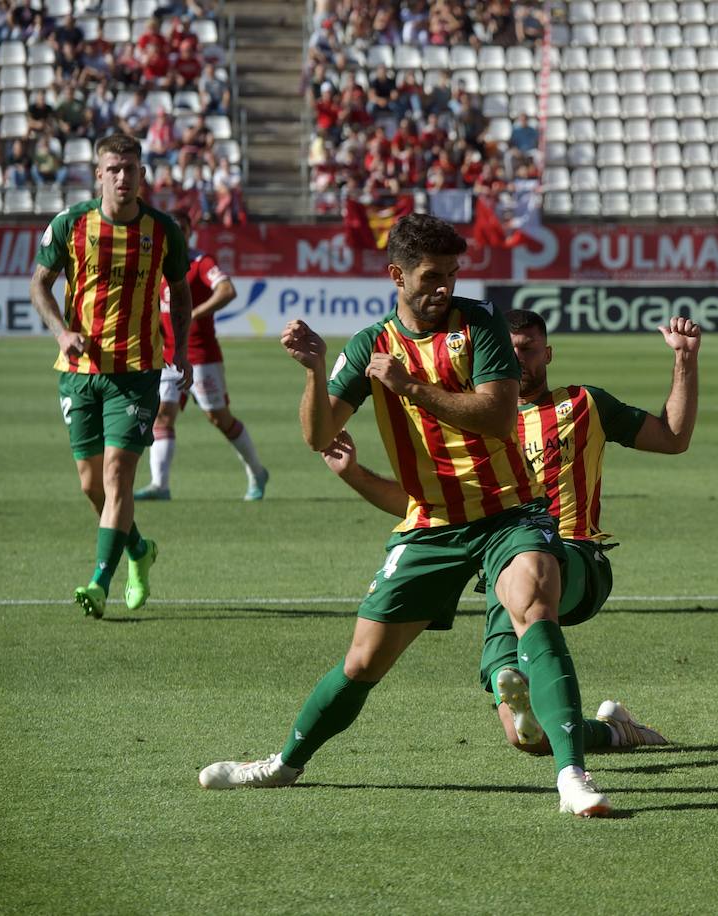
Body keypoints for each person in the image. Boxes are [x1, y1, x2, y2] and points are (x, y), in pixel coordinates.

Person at [197, 215, 615, 817]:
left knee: (533, 601)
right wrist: (315, 370)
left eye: (451, 273)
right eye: (429, 276)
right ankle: (285, 764)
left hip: (509, 511)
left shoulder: (481, 323)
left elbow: (499, 417)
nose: (443, 286)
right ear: (396, 274)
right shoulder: (371, 344)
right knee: (363, 660)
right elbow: (318, 433)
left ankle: (571, 776)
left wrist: (411, 387)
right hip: (432, 523)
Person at [318, 308, 702, 756]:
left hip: (576, 556)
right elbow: (423, 508)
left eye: (529, 349)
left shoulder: (584, 404)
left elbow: (673, 438)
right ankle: (614, 731)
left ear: (548, 353)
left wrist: (685, 360)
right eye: (510, 348)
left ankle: (572, 772)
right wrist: (353, 474)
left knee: (530, 566)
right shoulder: (464, 423)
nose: (519, 358)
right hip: (502, 570)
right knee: (526, 738)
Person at [29, 133, 193, 620]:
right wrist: (60, 333)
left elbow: (180, 293)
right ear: (98, 174)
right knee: (91, 485)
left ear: (142, 174)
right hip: (79, 372)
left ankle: (99, 581)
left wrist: (179, 349)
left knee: (118, 474)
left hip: (138, 370)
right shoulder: (71, 224)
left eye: (131, 169)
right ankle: (139, 549)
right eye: (114, 169)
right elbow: (39, 284)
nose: (123, 177)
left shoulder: (163, 230)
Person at [136, 210, 269, 501]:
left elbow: (227, 290)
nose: (177, 233)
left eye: (182, 228)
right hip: (168, 356)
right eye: (172, 228)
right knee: (163, 415)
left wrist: (193, 313)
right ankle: (160, 485)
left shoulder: (199, 262)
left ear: (189, 232)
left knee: (219, 418)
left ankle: (257, 472)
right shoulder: (155, 264)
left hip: (201, 354)